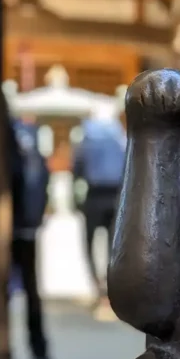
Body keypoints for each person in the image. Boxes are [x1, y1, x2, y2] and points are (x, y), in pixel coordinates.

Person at [6, 105, 51, 359]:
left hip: (11, 221)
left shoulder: (7, 135)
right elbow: (41, 177)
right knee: (31, 288)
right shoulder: (31, 137)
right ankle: (39, 350)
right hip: (28, 223)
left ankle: (4, 351)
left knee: (3, 291)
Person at [72, 105, 127, 301]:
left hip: (94, 194)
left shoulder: (87, 139)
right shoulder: (119, 138)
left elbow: (77, 168)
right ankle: (111, 284)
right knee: (115, 244)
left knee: (89, 241)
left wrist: (75, 199)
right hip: (116, 195)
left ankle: (96, 284)